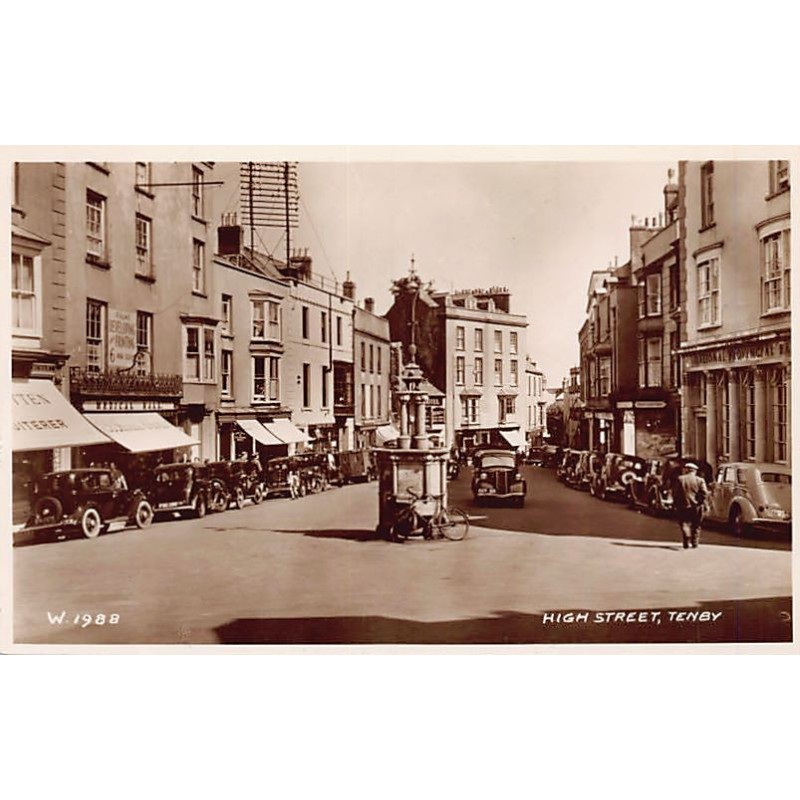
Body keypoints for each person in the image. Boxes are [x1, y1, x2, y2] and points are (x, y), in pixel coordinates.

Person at [672, 462, 709, 549]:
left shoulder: (680, 479)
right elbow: (704, 493)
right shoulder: (700, 480)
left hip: (682, 505)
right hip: (696, 506)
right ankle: (694, 542)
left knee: (684, 523)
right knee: (696, 525)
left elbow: (675, 493)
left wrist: (675, 503)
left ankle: (686, 538)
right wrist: (699, 502)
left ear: (686, 470)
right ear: (694, 471)